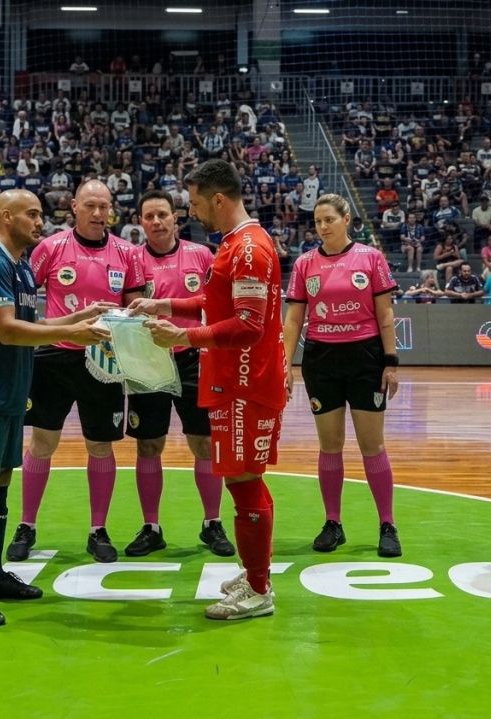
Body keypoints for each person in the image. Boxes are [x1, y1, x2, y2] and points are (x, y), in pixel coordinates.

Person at [0, 189, 113, 627]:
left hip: (8, 391)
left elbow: (31, 324)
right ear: (5, 217)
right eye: (32, 215)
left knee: (0, 479)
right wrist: (72, 335)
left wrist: (78, 318)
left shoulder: (20, 266)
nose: (41, 222)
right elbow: (6, 330)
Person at [131, 159, 286, 620]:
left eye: (195, 203)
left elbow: (248, 324)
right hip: (235, 380)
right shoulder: (237, 244)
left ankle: (258, 590)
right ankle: (256, 573)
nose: (192, 212)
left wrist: (183, 336)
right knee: (245, 480)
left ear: (218, 199)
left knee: (245, 482)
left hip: (244, 383)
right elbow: (216, 302)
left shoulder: (249, 249)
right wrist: (166, 304)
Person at [6, 180, 145, 565]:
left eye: (104, 206)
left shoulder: (127, 253)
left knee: (100, 445)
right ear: (74, 207)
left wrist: (131, 321)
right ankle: (26, 525)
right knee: (42, 443)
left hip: (104, 360)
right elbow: (23, 300)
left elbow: (135, 306)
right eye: (90, 206)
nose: (98, 213)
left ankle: (98, 529)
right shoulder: (50, 248)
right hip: (54, 357)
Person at [281, 193, 402, 558]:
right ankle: (333, 523)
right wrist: (285, 365)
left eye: (329, 220)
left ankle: (387, 525)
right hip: (322, 360)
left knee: (372, 445)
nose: (322, 227)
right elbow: (293, 320)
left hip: (366, 358)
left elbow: (385, 315)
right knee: (329, 445)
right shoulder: (305, 263)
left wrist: (390, 362)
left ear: (346, 219)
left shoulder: (371, 257)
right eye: (318, 222)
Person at [121, 189, 234, 558]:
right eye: (149, 216)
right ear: (140, 222)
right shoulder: (131, 259)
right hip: (147, 362)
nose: (156, 222)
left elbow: (217, 304)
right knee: (148, 445)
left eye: (162, 215)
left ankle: (212, 522)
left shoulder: (201, 255)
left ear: (175, 218)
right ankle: (151, 527)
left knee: (204, 443)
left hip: (193, 359)